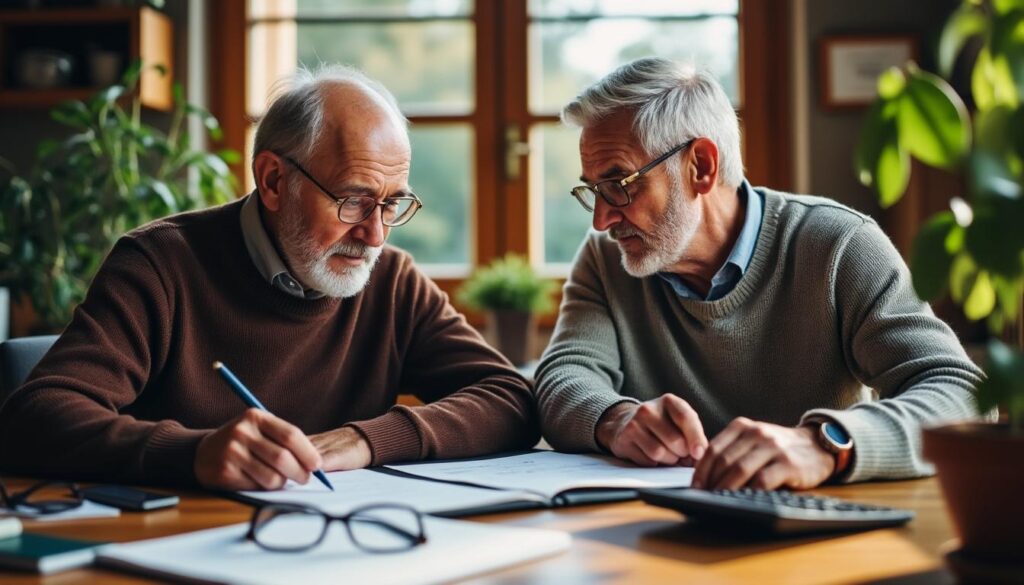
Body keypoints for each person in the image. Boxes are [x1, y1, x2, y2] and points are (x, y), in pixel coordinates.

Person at [0, 65, 538, 491]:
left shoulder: (392, 281)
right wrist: (194, 452)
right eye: (353, 201)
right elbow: (36, 418)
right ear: (274, 180)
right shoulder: (160, 264)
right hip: (180, 550)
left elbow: (511, 399)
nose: (376, 235)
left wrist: (364, 440)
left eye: (392, 204)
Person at [535, 57, 984, 491]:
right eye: (593, 190)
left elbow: (961, 394)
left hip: (815, 530)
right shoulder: (604, 258)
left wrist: (823, 445)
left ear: (701, 167)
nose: (601, 220)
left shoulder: (839, 244)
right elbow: (562, 378)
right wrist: (615, 420)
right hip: (657, 530)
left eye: (619, 185)